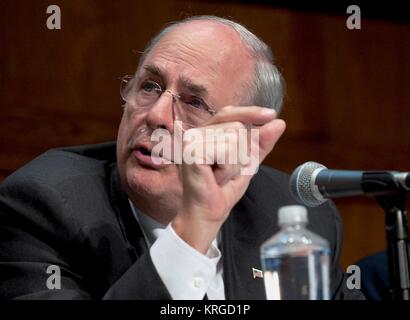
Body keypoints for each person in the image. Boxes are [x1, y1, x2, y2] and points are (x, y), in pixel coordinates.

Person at [0, 15, 364, 300]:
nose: (158, 115)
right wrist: (195, 226)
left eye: (194, 102)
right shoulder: (43, 206)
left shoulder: (294, 219)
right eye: (149, 86)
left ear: (245, 137)